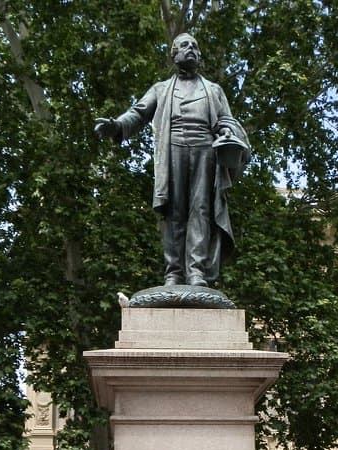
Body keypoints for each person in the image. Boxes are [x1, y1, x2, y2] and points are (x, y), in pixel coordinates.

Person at [94, 32, 250, 288]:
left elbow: (226, 120)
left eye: (195, 46)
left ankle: (196, 271)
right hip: (173, 149)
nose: (191, 49)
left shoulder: (213, 90)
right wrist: (117, 126)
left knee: (200, 210)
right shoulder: (161, 89)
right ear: (174, 54)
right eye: (185, 45)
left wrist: (226, 131)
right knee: (174, 212)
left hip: (205, 151)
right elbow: (138, 113)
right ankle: (174, 273)